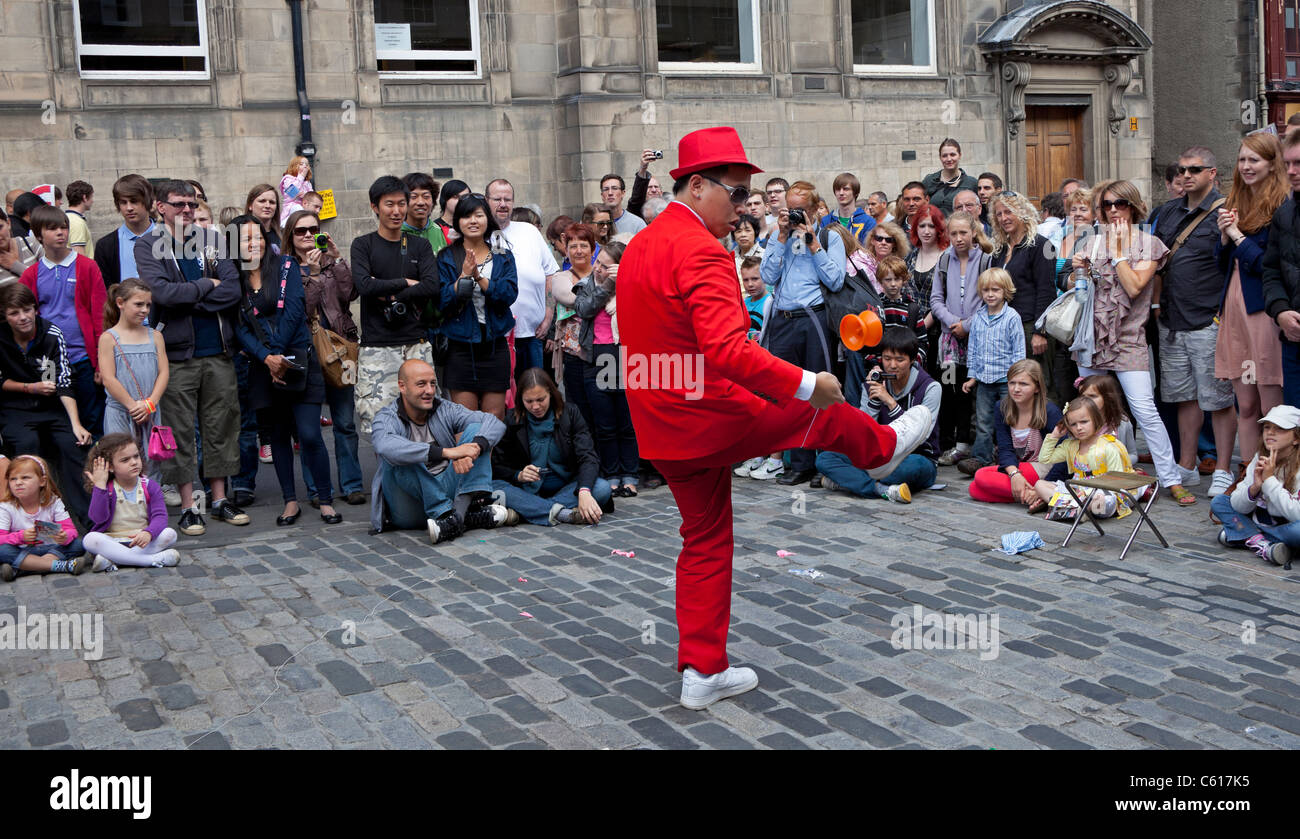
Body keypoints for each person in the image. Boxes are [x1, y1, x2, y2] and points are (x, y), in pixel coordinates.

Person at [617, 126, 931, 710]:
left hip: (660, 421)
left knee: (705, 540)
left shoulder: (643, 243)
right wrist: (812, 383)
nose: (742, 210)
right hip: (705, 415)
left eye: (745, 198)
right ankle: (880, 447)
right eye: (735, 194)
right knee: (821, 416)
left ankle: (702, 671)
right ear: (695, 186)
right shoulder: (701, 250)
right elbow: (729, 352)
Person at [134, 179, 249, 535]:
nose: (187, 209)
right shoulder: (149, 245)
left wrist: (193, 297)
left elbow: (232, 290)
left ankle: (218, 500)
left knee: (221, 427)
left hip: (219, 349)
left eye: (192, 203)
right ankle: (188, 505)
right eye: (179, 204)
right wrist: (204, 287)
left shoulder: (214, 241)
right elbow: (163, 295)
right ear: (161, 207)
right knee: (180, 431)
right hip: (177, 355)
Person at [1071, 179, 1189, 503]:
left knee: (1144, 410)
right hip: (1093, 338)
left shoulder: (1150, 243)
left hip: (1129, 338)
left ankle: (1171, 478)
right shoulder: (1092, 242)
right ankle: (1098, 471)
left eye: (1119, 203)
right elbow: (1075, 285)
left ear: (1133, 206)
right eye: (1107, 205)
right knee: (1094, 409)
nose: (1113, 210)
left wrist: (1119, 253)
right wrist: (1076, 270)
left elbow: (1136, 286)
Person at [232, 217, 340, 527]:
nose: (256, 243)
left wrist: (277, 353)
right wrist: (266, 357)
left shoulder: (287, 266)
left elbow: (294, 310)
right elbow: (239, 327)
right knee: (277, 437)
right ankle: (290, 501)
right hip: (261, 367)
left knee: (309, 434)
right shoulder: (234, 278)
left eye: (260, 236)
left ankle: (325, 499)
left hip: (297, 360)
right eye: (246, 238)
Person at [1152, 146, 1237, 498]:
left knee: (1217, 399)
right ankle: (1186, 466)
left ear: (1212, 173)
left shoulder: (1225, 211)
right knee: (1182, 397)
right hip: (1171, 318)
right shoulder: (1168, 211)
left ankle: (1222, 468)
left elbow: (1232, 264)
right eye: (1182, 170)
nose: (1186, 175)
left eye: (1195, 170)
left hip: (1207, 318)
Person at [760, 179, 847, 486]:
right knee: (789, 391)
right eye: (789, 210)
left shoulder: (828, 236)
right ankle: (799, 462)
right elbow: (767, 275)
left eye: (799, 211)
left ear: (814, 210)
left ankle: (826, 461)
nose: (794, 215)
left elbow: (836, 281)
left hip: (814, 319)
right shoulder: (777, 234)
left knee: (821, 391)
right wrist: (781, 236)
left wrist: (812, 242)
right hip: (783, 320)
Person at [1215, 132, 1289, 490]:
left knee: (1272, 409)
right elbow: (1224, 265)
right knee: (1244, 403)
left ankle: (1274, 476)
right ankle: (1245, 474)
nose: (1245, 166)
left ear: (1272, 164)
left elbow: (1267, 266)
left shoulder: (1283, 207)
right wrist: (1225, 238)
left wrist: (1238, 237)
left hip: (1263, 310)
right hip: (1234, 307)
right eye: (1242, 159)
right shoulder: (1236, 201)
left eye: (1253, 160)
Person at [369, 359, 513, 542]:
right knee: (397, 455)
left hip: (446, 488)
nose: (429, 391)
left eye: (432, 384)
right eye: (421, 384)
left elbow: (493, 422)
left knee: (478, 431)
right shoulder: (386, 417)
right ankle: (453, 515)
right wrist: (448, 452)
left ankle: (455, 519)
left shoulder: (444, 408)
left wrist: (474, 448)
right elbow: (385, 445)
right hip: (408, 506)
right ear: (402, 386)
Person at [284, 210, 366, 506]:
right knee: (308, 429)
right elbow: (302, 310)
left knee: (345, 422)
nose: (307, 235)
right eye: (300, 231)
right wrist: (313, 274)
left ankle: (352, 484)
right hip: (306, 352)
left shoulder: (331, 262)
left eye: (313, 230)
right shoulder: (286, 268)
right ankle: (318, 489)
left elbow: (351, 294)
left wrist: (337, 257)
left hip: (340, 349)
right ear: (290, 237)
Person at [350, 175, 440, 435]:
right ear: (375, 207)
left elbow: (432, 286)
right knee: (379, 424)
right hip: (376, 346)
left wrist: (392, 295)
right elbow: (364, 286)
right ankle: (387, 477)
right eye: (389, 204)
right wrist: (407, 283)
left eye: (402, 203)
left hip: (416, 344)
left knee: (423, 421)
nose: (397, 210)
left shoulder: (420, 245)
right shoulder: (363, 245)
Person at [0, 283, 93, 520]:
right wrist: (29, 388)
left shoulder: (51, 333)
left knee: (73, 444)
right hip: (15, 408)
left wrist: (76, 424)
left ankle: (90, 522)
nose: (23, 317)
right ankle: (30, 521)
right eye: (14, 313)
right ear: (5, 315)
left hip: (52, 407)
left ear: (35, 309)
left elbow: (63, 381)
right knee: (26, 450)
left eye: (27, 310)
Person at [816, 326, 940, 503]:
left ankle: (849, 482)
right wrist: (874, 400)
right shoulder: (873, 384)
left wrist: (890, 402)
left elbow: (921, 436)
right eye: (887, 359)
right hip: (877, 456)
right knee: (825, 459)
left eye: (900, 360)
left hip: (916, 456)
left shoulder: (931, 388)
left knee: (907, 468)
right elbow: (862, 434)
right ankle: (878, 488)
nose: (892, 365)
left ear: (912, 360)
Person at [20, 204, 108, 436]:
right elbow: (26, 319)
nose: (61, 232)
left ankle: (96, 469)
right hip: (50, 361)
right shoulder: (31, 274)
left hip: (83, 358)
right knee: (59, 417)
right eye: (52, 228)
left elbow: (100, 316)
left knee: (92, 418)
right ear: (39, 235)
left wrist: (100, 362)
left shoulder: (87, 267)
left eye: (63, 227)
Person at [490, 367, 613, 525]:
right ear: (521, 399)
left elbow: (588, 457)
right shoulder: (512, 420)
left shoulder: (570, 413)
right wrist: (518, 475)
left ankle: (528, 511)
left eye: (541, 400)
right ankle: (560, 513)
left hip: (565, 487)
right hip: (525, 489)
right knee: (494, 487)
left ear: (551, 394)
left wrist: (583, 491)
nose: (535, 407)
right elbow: (497, 465)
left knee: (601, 488)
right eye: (529, 401)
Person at [437, 193, 519, 421]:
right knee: (465, 419)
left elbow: (509, 294)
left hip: (495, 345)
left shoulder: (502, 254)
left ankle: (490, 459)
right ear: (458, 222)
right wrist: (464, 276)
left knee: (494, 417)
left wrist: (479, 277)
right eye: (466, 216)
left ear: (487, 220)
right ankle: (466, 458)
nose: (472, 221)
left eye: (478, 215)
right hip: (460, 346)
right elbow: (441, 301)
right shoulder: (447, 257)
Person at [575, 240, 639, 496]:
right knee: (605, 424)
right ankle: (611, 473)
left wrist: (623, 290)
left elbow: (645, 311)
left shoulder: (632, 285)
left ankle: (630, 474)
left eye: (605, 266)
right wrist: (607, 287)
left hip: (625, 357)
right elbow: (584, 308)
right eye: (597, 262)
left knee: (627, 422)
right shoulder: (588, 284)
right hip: (596, 358)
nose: (598, 268)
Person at [931, 211, 994, 465]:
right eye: (954, 233)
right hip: (949, 340)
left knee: (973, 389)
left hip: (977, 336)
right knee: (951, 387)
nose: (958, 238)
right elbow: (936, 299)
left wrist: (967, 325)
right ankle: (951, 442)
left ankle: (972, 443)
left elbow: (991, 298)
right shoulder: (944, 261)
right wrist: (951, 321)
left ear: (973, 233)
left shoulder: (986, 261)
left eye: (963, 233)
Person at [968, 359, 1068, 506]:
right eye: (1012, 383)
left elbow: (1065, 455)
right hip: (1020, 466)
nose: (1016, 389)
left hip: (1045, 468)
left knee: (981, 475)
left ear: (1037, 388)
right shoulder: (1002, 407)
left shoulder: (1049, 411)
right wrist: (1014, 474)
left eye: (1023, 384)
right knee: (974, 490)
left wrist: (1044, 485)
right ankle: (1038, 497)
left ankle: (1043, 493)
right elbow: (1005, 448)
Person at [98, 279, 168, 486]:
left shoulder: (155, 336)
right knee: (121, 463)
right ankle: (126, 513)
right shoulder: (108, 338)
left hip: (150, 410)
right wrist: (132, 406)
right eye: (138, 304)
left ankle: (151, 510)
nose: (144, 310)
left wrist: (149, 404)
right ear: (120, 302)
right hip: (120, 411)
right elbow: (109, 378)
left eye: (148, 305)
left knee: (151, 462)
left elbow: (164, 372)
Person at [487, 179, 559, 378]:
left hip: (533, 335)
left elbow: (550, 273)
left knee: (534, 394)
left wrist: (549, 314)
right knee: (505, 398)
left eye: (507, 199)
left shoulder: (529, 232)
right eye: (497, 199)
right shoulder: (482, 235)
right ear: (486, 201)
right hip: (498, 338)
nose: (503, 204)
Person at [1213, 404, 1300, 567]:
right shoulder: (1259, 457)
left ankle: (1245, 536)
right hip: (1260, 520)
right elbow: (1238, 506)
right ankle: (1264, 545)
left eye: (1279, 429)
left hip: (1288, 526)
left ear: (1296, 438)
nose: (1270, 433)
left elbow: (1296, 514)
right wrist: (1254, 488)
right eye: (1267, 427)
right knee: (1219, 502)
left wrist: (1269, 481)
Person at [989, 190, 1056, 395]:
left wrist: (1039, 331)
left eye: (1008, 212)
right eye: (999, 214)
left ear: (1022, 212)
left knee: (1038, 386)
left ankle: (1044, 427)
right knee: (1015, 386)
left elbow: (1046, 290)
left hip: (1030, 326)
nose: (1004, 218)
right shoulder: (1000, 249)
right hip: (1005, 327)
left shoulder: (1042, 245)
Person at [959, 267, 1026, 473]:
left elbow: (1019, 349)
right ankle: (981, 458)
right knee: (983, 421)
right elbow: (974, 349)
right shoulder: (978, 317)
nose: (990, 294)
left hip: (1007, 381)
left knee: (1010, 419)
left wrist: (1018, 380)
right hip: (984, 381)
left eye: (995, 290)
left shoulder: (1012, 317)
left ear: (1005, 291)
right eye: (986, 290)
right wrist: (972, 376)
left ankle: (1012, 457)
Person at [82, 433, 180, 569]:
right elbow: (98, 518)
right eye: (125, 460)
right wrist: (100, 487)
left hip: (142, 541)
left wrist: (149, 532)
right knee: (90, 539)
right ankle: (150, 560)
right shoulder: (108, 489)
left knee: (170, 534)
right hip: (113, 541)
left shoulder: (150, 486)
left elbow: (160, 516)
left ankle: (115, 560)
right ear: (110, 467)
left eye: (136, 456)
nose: (134, 462)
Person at [1033, 396, 1135, 518]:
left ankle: (1074, 508)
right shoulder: (1070, 446)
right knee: (1039, 485)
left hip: (1102, 492)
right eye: (1073, 424)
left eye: (1084, 422)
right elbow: (1045, 458)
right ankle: (1079, 509)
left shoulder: (1108, 446)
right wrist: (1055, 435)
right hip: (1078, 491)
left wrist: (1093, 493)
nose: (1079, 428)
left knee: (1100, 500)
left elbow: (1117, 480)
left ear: (1096, 420)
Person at [0, 454, 88, 581]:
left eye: (25, 478)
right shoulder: (6, 507)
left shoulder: (53, 501)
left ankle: (22, 569)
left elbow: (71, 530)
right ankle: (62, 566)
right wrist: (21, 537)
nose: (18, 483)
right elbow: (1, 538)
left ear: (42, 481)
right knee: (3, 551)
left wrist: (64, 537)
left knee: (78, 544)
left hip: (51, 549)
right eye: (13, 479)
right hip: (23, 550)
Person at [1263, 130, 1300, 408]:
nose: (1291, 171)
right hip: (1293, 335)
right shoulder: (1284, 213)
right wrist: (1280, 310)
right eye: (1287, 164)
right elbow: (1272, 269)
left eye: (1298, 163)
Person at [93, 174, 154, 289]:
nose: (129, 208)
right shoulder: (105, 246)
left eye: (134, 201)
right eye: (123, 202)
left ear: (147, 201)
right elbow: (104, 290)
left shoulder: (169, 238)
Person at [905, 204, 946, 362]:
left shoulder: (947, 257)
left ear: (939, 229)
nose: (927, 231)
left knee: (944, 381)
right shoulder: (911, 257)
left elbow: (945, 299)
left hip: (940, 333)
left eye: (931, 226)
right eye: (922, 226)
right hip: (913, 332)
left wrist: (921, 328)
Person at [874, 255, 929, 365]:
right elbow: (868, 343)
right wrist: (876, 363)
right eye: (888, 280)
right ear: (880, 281)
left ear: (904, 280)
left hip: (906, 366)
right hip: (880, 367)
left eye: (897, 279)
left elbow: (922, 342)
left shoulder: (912, 308)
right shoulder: (875, 306)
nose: (893, 284)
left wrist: (913, 362)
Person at [1076, 373, 1137, 458]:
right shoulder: (1076, 421)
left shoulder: (1122, 422)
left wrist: (1120, 462)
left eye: (1092, 396)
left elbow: (1133, 454)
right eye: (1083, 397)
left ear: (1107, 398)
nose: (1086, 400)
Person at [921, 138, 980, 215]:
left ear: (960, 155)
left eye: (953, 155)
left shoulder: (971, 183)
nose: (949, 159)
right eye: (944, 156)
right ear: (940, 157)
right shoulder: (929, 181)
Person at [820, 172, 875, 243]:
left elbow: (867, 251)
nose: (841, 193)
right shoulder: (826, 221)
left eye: (846, 189)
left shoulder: (868, 222)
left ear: (855, 192)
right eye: (838, 189)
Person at [402, 172, 448, 254]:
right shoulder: (395, 233)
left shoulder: (441, 232)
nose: (420, 202)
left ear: (433, 201)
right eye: (413, 197)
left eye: (426, 197)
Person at [0, 207, 42, 284]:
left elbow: (50, 280)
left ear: (8, 223)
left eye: (0, 227)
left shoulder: (31, 244)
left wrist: (15, 266)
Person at [245, 183, 282, 252]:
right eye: (262, 201)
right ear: (250, 205)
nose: (267, 206)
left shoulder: (283, 236)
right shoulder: (238, 234)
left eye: (272, 202)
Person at [279, 156, 313, 226]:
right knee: (298, 209)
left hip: (305, 207)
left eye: (307, 165)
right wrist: (301, 176)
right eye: (301, 164)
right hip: (291, 206)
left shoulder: (307, 182)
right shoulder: (287, 179)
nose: (305, 166)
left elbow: (311, 195)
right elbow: (293, 192)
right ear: (294, 166)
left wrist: (305, 196)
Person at [65, 180, 94, 258]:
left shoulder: (66, 217)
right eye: (91, 197)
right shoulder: (77, 222)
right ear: (84, 198)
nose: (92, 201)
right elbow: (79, 256)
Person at [436, 179, 471, 245]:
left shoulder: (472, 225)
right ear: (445, 199)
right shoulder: (434, 228)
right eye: (456, 197)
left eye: (465, 197)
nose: (461, 201)